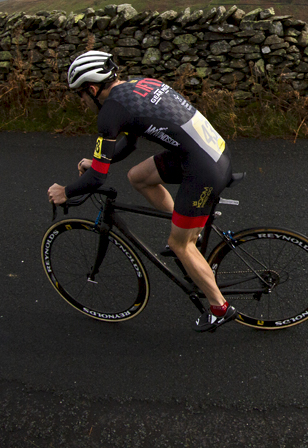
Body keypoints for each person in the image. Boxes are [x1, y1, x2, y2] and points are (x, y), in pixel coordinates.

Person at [47, 50, 236, 332]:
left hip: (202, 169)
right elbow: (131, 146)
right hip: (206, 153)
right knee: (138, 177)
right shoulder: (140, 86)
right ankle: (184, 226)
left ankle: (218, 308)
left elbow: (97, 179)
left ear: (92, 88)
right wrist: (100, 159)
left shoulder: (110, 112)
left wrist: (66, 191)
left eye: (81, 95)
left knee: (178, 245)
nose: (82, 102)